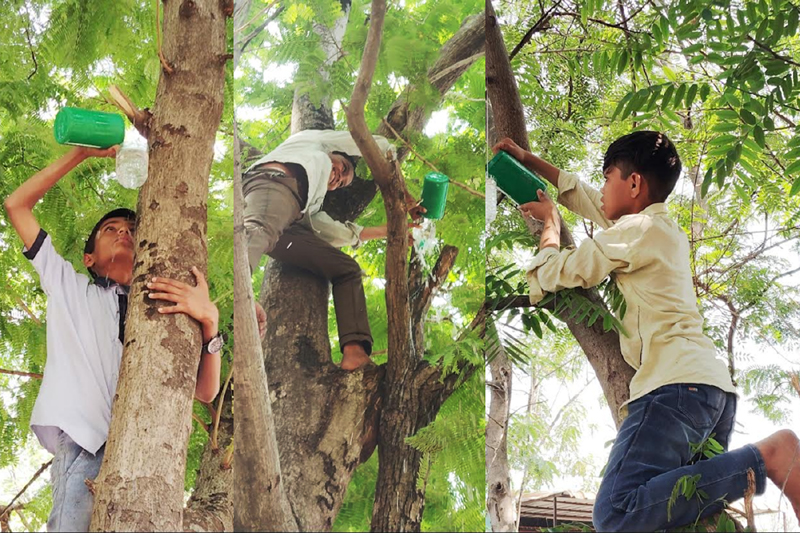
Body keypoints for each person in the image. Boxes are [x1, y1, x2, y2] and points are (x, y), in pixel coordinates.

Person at [492, 131, 800, 531]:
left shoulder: (633, 234)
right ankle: (765, 460)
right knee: (678, 520)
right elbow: (584, 196)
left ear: (633, 183)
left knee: (616, 512)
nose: (600, 190)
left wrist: (550, 225)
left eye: (606, 178)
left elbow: (554, 273)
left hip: (675, 389)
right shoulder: (657, 228)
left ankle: (771, 455)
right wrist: (528, 159)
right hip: (713, 394)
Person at [4, 146, 222, 532]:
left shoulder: (160, 308)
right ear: (88, 259)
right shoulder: (70, 288)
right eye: (111, 230)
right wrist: (81, 155)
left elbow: (205, 392)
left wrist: (210, 322)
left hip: (149, 456)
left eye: (133, 231)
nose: (123, 233)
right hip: (86, 443)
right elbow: (17, 206)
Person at [244, 129, 422, 370]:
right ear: (334, 152)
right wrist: (406, 198)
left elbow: (336, 233)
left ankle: (355, 354)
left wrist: (391, 229)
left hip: (290, 223)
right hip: (275, 184)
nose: (338, 178)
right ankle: (241, 298)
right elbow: (377, 145)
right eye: (342, 169)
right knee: (259, 230)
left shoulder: (312, 204)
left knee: (347, 269)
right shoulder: (312, 141)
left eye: (341, 183)